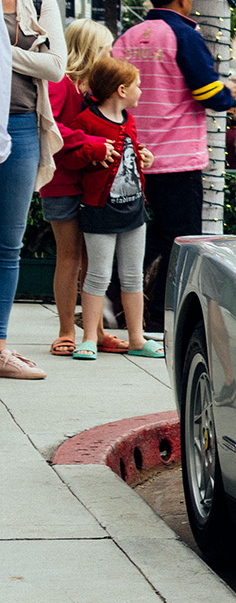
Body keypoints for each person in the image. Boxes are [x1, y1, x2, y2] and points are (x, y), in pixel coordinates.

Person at [112, 0, 236, 331]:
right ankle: (156, 315)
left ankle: (114, 302)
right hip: (178, 161)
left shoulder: (128, 38)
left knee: (138, 235)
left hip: (132, 157)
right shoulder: (184, 35)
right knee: (178, 240)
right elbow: (208, 92)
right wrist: (228, 95)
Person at [59, 57, 160, 361]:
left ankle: (136, 337)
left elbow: (126, 152)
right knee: (98, 276)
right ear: (120, 90)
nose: (141, 91)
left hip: (133, 209)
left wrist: (144, 157)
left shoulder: (128, 119)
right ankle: (90, 337)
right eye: (137, 86)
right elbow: (70, 158)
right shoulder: (86, 121)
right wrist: (92, 150)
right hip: (100, 209)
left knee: (132, 277)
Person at [0, 0, 60, 381]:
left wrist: (4, 50)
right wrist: (25, 57)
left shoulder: (39, 1)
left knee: (8, 244)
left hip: (20, 125)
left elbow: (56, 67)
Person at [39, 20, 116, 356]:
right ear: (89, 51)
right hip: (60, 183)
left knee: (88, 260)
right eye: (105, 50)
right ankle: (67, 329)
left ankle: (94, 330)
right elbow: (50, 126)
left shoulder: (85, 90)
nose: (110, 57)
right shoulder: (60, 85)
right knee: (70, 258)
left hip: (82, 182)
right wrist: (91, 142)